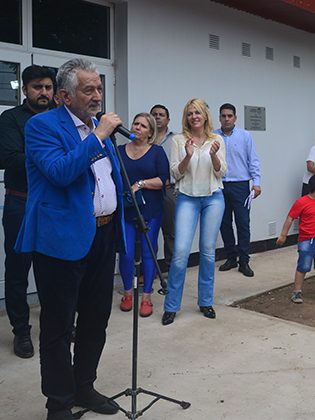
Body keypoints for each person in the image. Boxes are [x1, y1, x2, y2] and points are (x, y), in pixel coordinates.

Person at [16, 58, 125, 419]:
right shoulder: (41, 126)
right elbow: (61, 173)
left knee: (96, 319)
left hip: (104, 234)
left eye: (99, 88)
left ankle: (84, 386)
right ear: (65, 95)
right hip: (62, 240)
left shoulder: (98, 127)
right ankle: (59, 403)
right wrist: (97, 137)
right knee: (59, 326)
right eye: (88, 89)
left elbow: (107, 179)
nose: (97, 96)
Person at [0, 64, 54, 358]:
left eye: (47, 87)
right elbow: (10, 158)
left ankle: (56, 324)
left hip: (52, 205)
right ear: (25, 90)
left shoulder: (61, 120)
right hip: (20, 203)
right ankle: (21, 330)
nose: (43, 92)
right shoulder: (10, 119)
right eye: (37, 87)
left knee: (53, 268)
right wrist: (51, 159)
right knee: (18, 269)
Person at [163, 98, 227, 326]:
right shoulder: (179, 140)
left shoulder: (217, 139)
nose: (194, 117)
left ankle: (206, 301)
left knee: (208, 252)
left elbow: (222, 173)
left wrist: (213, 156)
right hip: (187, 198)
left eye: (197, 113)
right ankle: (171, 305)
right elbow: (175, 174)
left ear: (205, 116)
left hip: (213, 198)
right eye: (190, 113)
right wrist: (188, 155)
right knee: (180, 253)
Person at [117, 112, 169, 317]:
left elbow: (163, 179)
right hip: (126, 209)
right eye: (135, 124)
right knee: (127, 252)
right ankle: (128, 293)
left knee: (148, 252)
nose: (137, 127)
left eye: (143, 126)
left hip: (150, 209)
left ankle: (146, 296)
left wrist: (141, 184)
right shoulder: (119, 150)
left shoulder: (157, 152)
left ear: (150, 132)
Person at [215, 103, 261, 277]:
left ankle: (244, 261)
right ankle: (231, 257)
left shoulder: (245, 136)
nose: (226, 119)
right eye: (223, 116)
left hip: (241, 186)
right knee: (224, 223)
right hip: (219, 186)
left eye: (230, 116)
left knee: (243, 223)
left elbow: (253, 160)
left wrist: (256, 183)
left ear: (235, 118)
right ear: (219, 117)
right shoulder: (213, 136)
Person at [277, 174, 315, 304]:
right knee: (303, 266)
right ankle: (297, 291)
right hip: (307, 241)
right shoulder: (302, 202)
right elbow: (290, 217)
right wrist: (283, 235)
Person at [150, 104, 177, 273]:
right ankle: (148, 272)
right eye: (154, 114)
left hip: (169, 190)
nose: (158, 117)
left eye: (161, 114)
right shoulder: (144, 137)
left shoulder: (176, 139)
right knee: (148, 233)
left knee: (171, 232)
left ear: (168, 119)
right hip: (149, 191)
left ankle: (171, 272)